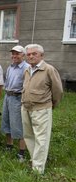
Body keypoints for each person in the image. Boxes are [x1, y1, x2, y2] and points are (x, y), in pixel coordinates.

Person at [21, 44, 63, 174]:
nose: (31, 56)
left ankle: (38, 170)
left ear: (41, 55)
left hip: (41, 108)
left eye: (34, 54)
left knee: (41, 138)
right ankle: (36, 160)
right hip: (26, 107)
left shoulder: (48, 69)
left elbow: (58, 90)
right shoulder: (27, 69)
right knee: (28, 136)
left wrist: (51, 105)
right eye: (29, 54)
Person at [1, 45, 29, 161]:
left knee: (18, 125)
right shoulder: (11, 67)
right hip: (8, 96)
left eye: (17, 53)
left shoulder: (26, 68)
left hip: (18, 98)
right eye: (13, 53)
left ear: (23, 55)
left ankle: (21, 152)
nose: (14, 56)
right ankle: (9, 145)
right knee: (6, 121)